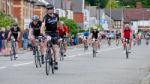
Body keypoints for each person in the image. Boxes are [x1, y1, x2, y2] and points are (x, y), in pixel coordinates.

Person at [40, 4, 59, 70]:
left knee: (55, 48)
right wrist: (42, 33)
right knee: (46, 42)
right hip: (48, 32)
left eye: (50, 9)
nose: (49, 10)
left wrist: (59, 31)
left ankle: (56, 62)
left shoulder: (56, 15)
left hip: (55, 33)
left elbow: (58, 23)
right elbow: (42, 26)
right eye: (48, 9)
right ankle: (47, 53)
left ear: (53, 9)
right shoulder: (45, 17)